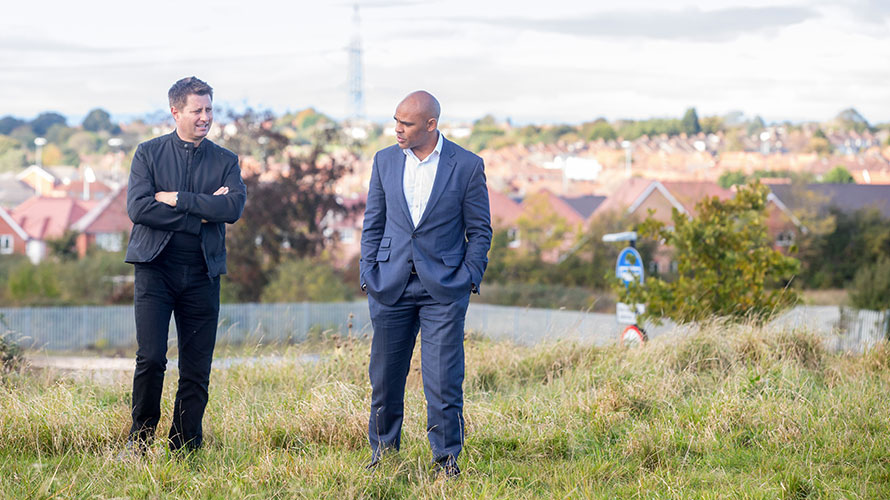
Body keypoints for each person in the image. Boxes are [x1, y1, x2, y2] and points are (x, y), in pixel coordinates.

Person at [360, 90, 492, 477]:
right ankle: (383, 455)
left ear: (431, 125)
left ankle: (446, 460)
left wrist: (468, 277)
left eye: (407, 123)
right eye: (396, 121)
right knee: (384, 377)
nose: (397, 129)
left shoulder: (466, 165)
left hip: (444, 289)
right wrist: (369, 273)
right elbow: (374, 221)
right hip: (390, 285)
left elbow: (480, 231)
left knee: (443, 379)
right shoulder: (384, 161)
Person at [123, 76, 246, 453]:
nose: (205, 117)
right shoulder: (148, 153)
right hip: (155, 270)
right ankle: (139, 442)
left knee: (196, 368)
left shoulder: (226, 160)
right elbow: (139, 209)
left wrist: (177, 199)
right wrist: (202, 211)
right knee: (152, 359)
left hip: (202, 274)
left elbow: (233, 208)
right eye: (198, 110)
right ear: (176, 112)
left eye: (209, 109)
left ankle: (185, 445)